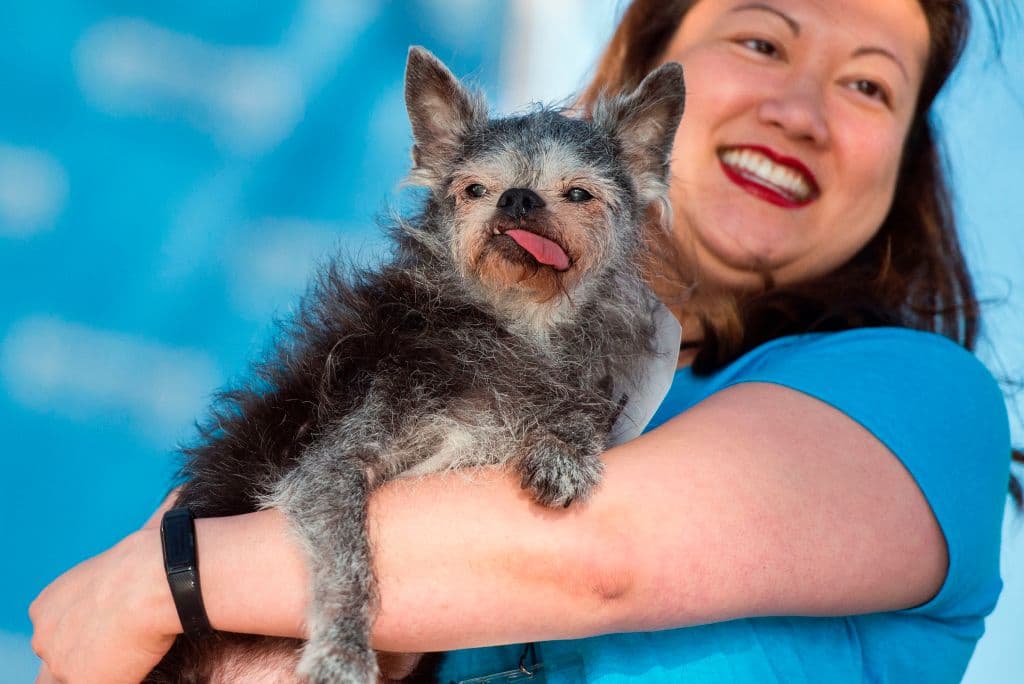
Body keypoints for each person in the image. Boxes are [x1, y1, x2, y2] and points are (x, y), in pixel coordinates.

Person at [29, 0, 1019, 682]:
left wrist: (165, 579)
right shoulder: (407, 345)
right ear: (637, 84)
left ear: (901, 167)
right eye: (762, 42)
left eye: (869, 88)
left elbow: (598, 553)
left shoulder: (918, 401)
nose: (799, 110)